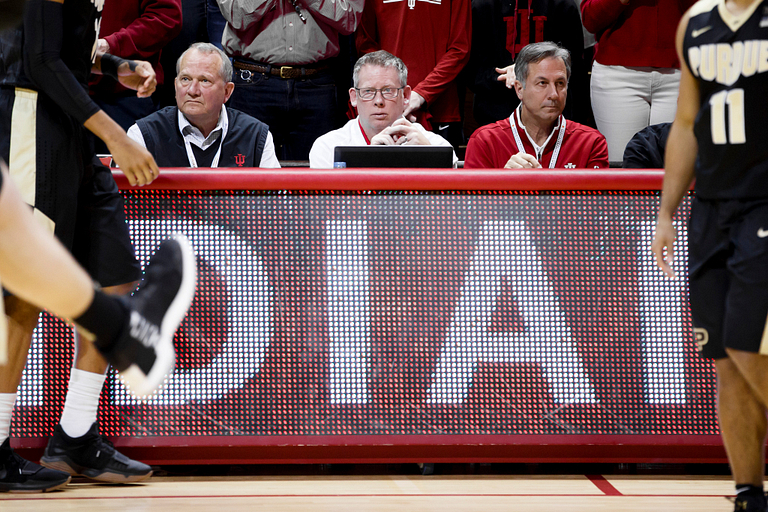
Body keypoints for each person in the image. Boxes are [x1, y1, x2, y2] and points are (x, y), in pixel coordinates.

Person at [0, 0, 174, 490]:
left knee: (115, 276)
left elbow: (63, 44)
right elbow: (37, 59)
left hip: (68, 124)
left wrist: (115, 64)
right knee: (21, 291)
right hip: (27, 115)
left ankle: (76, 435)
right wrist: (116, 137)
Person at [651, 1, 768, 511]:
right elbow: (683, 121)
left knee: (748, 346)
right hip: (712, 206)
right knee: (723, 358)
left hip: (763, 201)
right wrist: (667, 211)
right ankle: (749, 494)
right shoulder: (695, 23)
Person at [216, 0, 365, 161]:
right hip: (253, 83)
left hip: (316, 85)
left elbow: (349, 19)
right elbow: (236, 14)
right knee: (246, 176)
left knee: (316, 177)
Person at [128, 43, 280, 168]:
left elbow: (275, 202)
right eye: (185, 79)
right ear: (175, 86)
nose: (192, 91)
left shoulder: (256, 136)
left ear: (227, 91)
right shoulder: (143, 135)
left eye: (204, 81)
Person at [581, 0, 696, 162]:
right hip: (617, 73)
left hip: (681, 71)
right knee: (622, 172)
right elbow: (591, 19)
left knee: (676, 167)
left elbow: (714, 15)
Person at [464, 42, 607, 169]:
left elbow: (596, 200)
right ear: (519, 89)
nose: (554, 94)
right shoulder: (485, 141)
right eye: (542, 83)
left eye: (560, 83)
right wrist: (504, 184)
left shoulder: (591, 143)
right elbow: (473, 199)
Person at [308, 51, 457, 169]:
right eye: (368, 91)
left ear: (405, 96)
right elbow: (332, 207)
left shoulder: (435, 146)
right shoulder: (327, 148)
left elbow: (449, 205)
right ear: (354, 97)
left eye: (388, 91)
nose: (378, 101)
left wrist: (429, 158)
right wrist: (371, 160)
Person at [355, 0, 471, 148]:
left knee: (438, 169)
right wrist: (393, 96)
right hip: (384, 106)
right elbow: (365, 44)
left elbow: (460, 48)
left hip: (440, 108)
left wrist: (422, 94)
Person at [464, 0, 587, 128]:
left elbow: (575, 70)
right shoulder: (482, 5)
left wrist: (530, 72)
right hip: (495, 115)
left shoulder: (563, 5)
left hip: (552, 119)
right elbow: (471, 70)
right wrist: (504, 77)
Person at [89, 0, 182, 153]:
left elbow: (167, 17)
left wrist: (113, 45)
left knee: (128, 174)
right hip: (65, 88)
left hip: (124, 95)